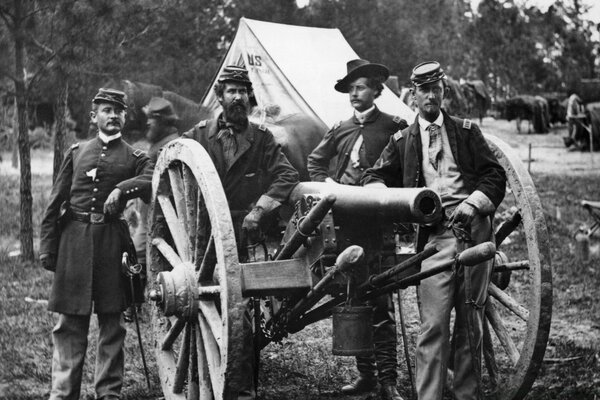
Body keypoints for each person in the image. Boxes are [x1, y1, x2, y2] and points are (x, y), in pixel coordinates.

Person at [361, 61, 506, 400]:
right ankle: (430, 396)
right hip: (436, 240)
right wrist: (387, 198)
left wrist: (475, 202)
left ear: (443, 91)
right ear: (413, 95)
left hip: (475, 232)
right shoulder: (403, 141)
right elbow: (374, 176)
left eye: (435, 89)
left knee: (471, 322)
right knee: (434, 324)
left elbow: (494, 175)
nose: (430, 96)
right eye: (423, 90)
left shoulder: (467, 132)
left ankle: (466, 394)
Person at [182, 65, 299, 399]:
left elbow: (287, 176)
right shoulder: (199, 136)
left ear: (250, 98)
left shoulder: (262, 140)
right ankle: (201, 384)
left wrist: (260, 209)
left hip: (244, 235)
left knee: (241, 314)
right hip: (203, 238)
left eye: (242, 91)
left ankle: (240, 389)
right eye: (231, 91)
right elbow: (173, 164)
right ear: (220, 96)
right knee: (201, 308)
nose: (237, 97)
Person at [39, 88, 154, 400]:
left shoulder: (135, 158)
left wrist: (123, 188)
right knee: (69, 325)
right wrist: (48, 247)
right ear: (94, 117)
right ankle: (62, 393)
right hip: (73, 244)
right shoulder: (76, 153)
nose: (112, 116)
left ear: (125, 117)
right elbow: (55, 203)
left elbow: (152, 178)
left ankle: (108, 393)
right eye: (105, 110)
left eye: (118, 111)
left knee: (112, 325)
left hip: (112, 246)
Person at [307, 58, 408, 400]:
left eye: (361, 87)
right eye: (350, 89)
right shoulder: (339, 129)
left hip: (379, 226)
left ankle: (389, 382)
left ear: (377, 91)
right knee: (356, 298)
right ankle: (366, 376)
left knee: (382, 303)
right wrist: (328, 187)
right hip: (347, 226)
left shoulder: (395, 127)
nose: (354, 93)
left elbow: (406, 169)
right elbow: (315, 162)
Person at [124, 96, 181, 321]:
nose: (148, 124)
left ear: (165, 122)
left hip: (163, 215)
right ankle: (136, 305)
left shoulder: (170, 145)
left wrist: (127, 190)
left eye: (153, 120)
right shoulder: (159, 144)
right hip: (152, 212)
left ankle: (134, 307)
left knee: (137, 255)